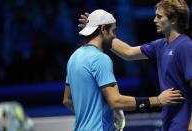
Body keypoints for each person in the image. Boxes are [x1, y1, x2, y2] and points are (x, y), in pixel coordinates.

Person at [78, 0, 192, 131]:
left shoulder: (185, 46)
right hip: (168, 123)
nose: (154, 20)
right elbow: (128, 52)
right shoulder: (160, 45)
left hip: (183, 125)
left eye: (159, 16)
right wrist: (99, 31)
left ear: (173, 20)